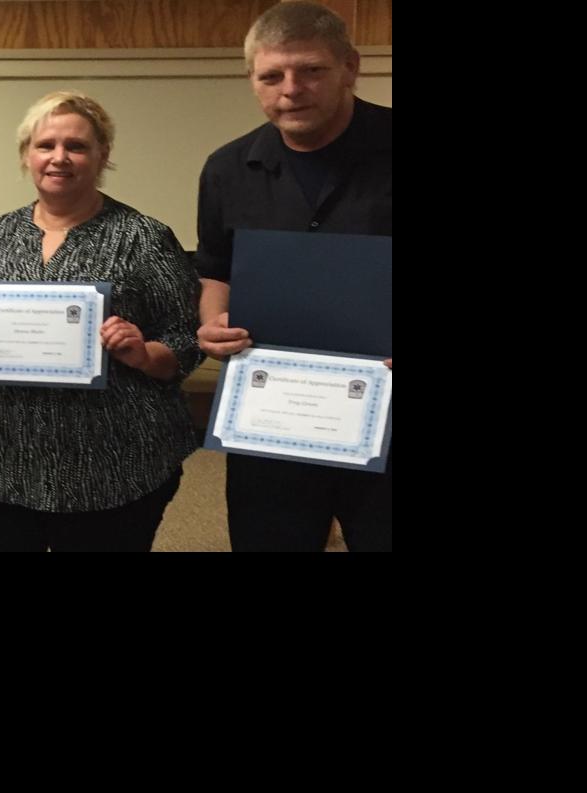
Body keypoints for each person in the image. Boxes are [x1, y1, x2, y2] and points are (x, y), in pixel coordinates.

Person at [0, 91, 201, 551]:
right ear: (26, 156)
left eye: (76, 146)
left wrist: (143, 353)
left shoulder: (144, 238)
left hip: (113, 467)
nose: (60, 157)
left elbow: (185, 341)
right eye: (46, 145)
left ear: (102, 155)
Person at [195, 1, 392, 551]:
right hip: (272, 415)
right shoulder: (226, 168)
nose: (290, 88)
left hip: (389, 413)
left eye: (311, 70)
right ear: (252, 80)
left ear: (350, 66)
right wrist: (213, 325)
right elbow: (215, 271)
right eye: (272, 75)